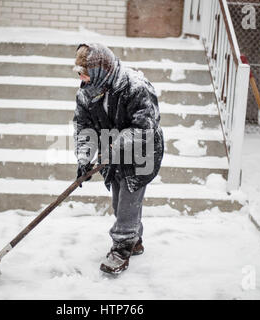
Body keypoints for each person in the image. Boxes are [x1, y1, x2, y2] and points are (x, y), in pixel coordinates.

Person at [73, 43, 164, 275]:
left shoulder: (135, 87)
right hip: (112, 153)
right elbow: (84, 126)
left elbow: (145, 126)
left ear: (100, 70)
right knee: (118, 201)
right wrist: (84, 157)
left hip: (141, 152)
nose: (81, 77)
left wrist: (116, 144)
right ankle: (135, 239)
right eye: (78, 72)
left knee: (127, 202)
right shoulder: (87, 91)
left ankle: (122, 247)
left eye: (84, 72)